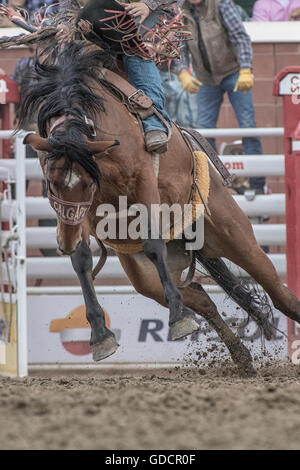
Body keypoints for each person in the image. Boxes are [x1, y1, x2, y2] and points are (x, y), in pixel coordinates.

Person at [176, 0, 265, 192]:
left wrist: (246, 69)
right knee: (204, 132)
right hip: (206, 79)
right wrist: (183, 72)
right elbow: (180, 45)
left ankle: (258, 184)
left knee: (248, 125)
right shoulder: (180, 10)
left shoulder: (221, 4)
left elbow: (240, 38)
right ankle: (216, 184)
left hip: (233, 73)